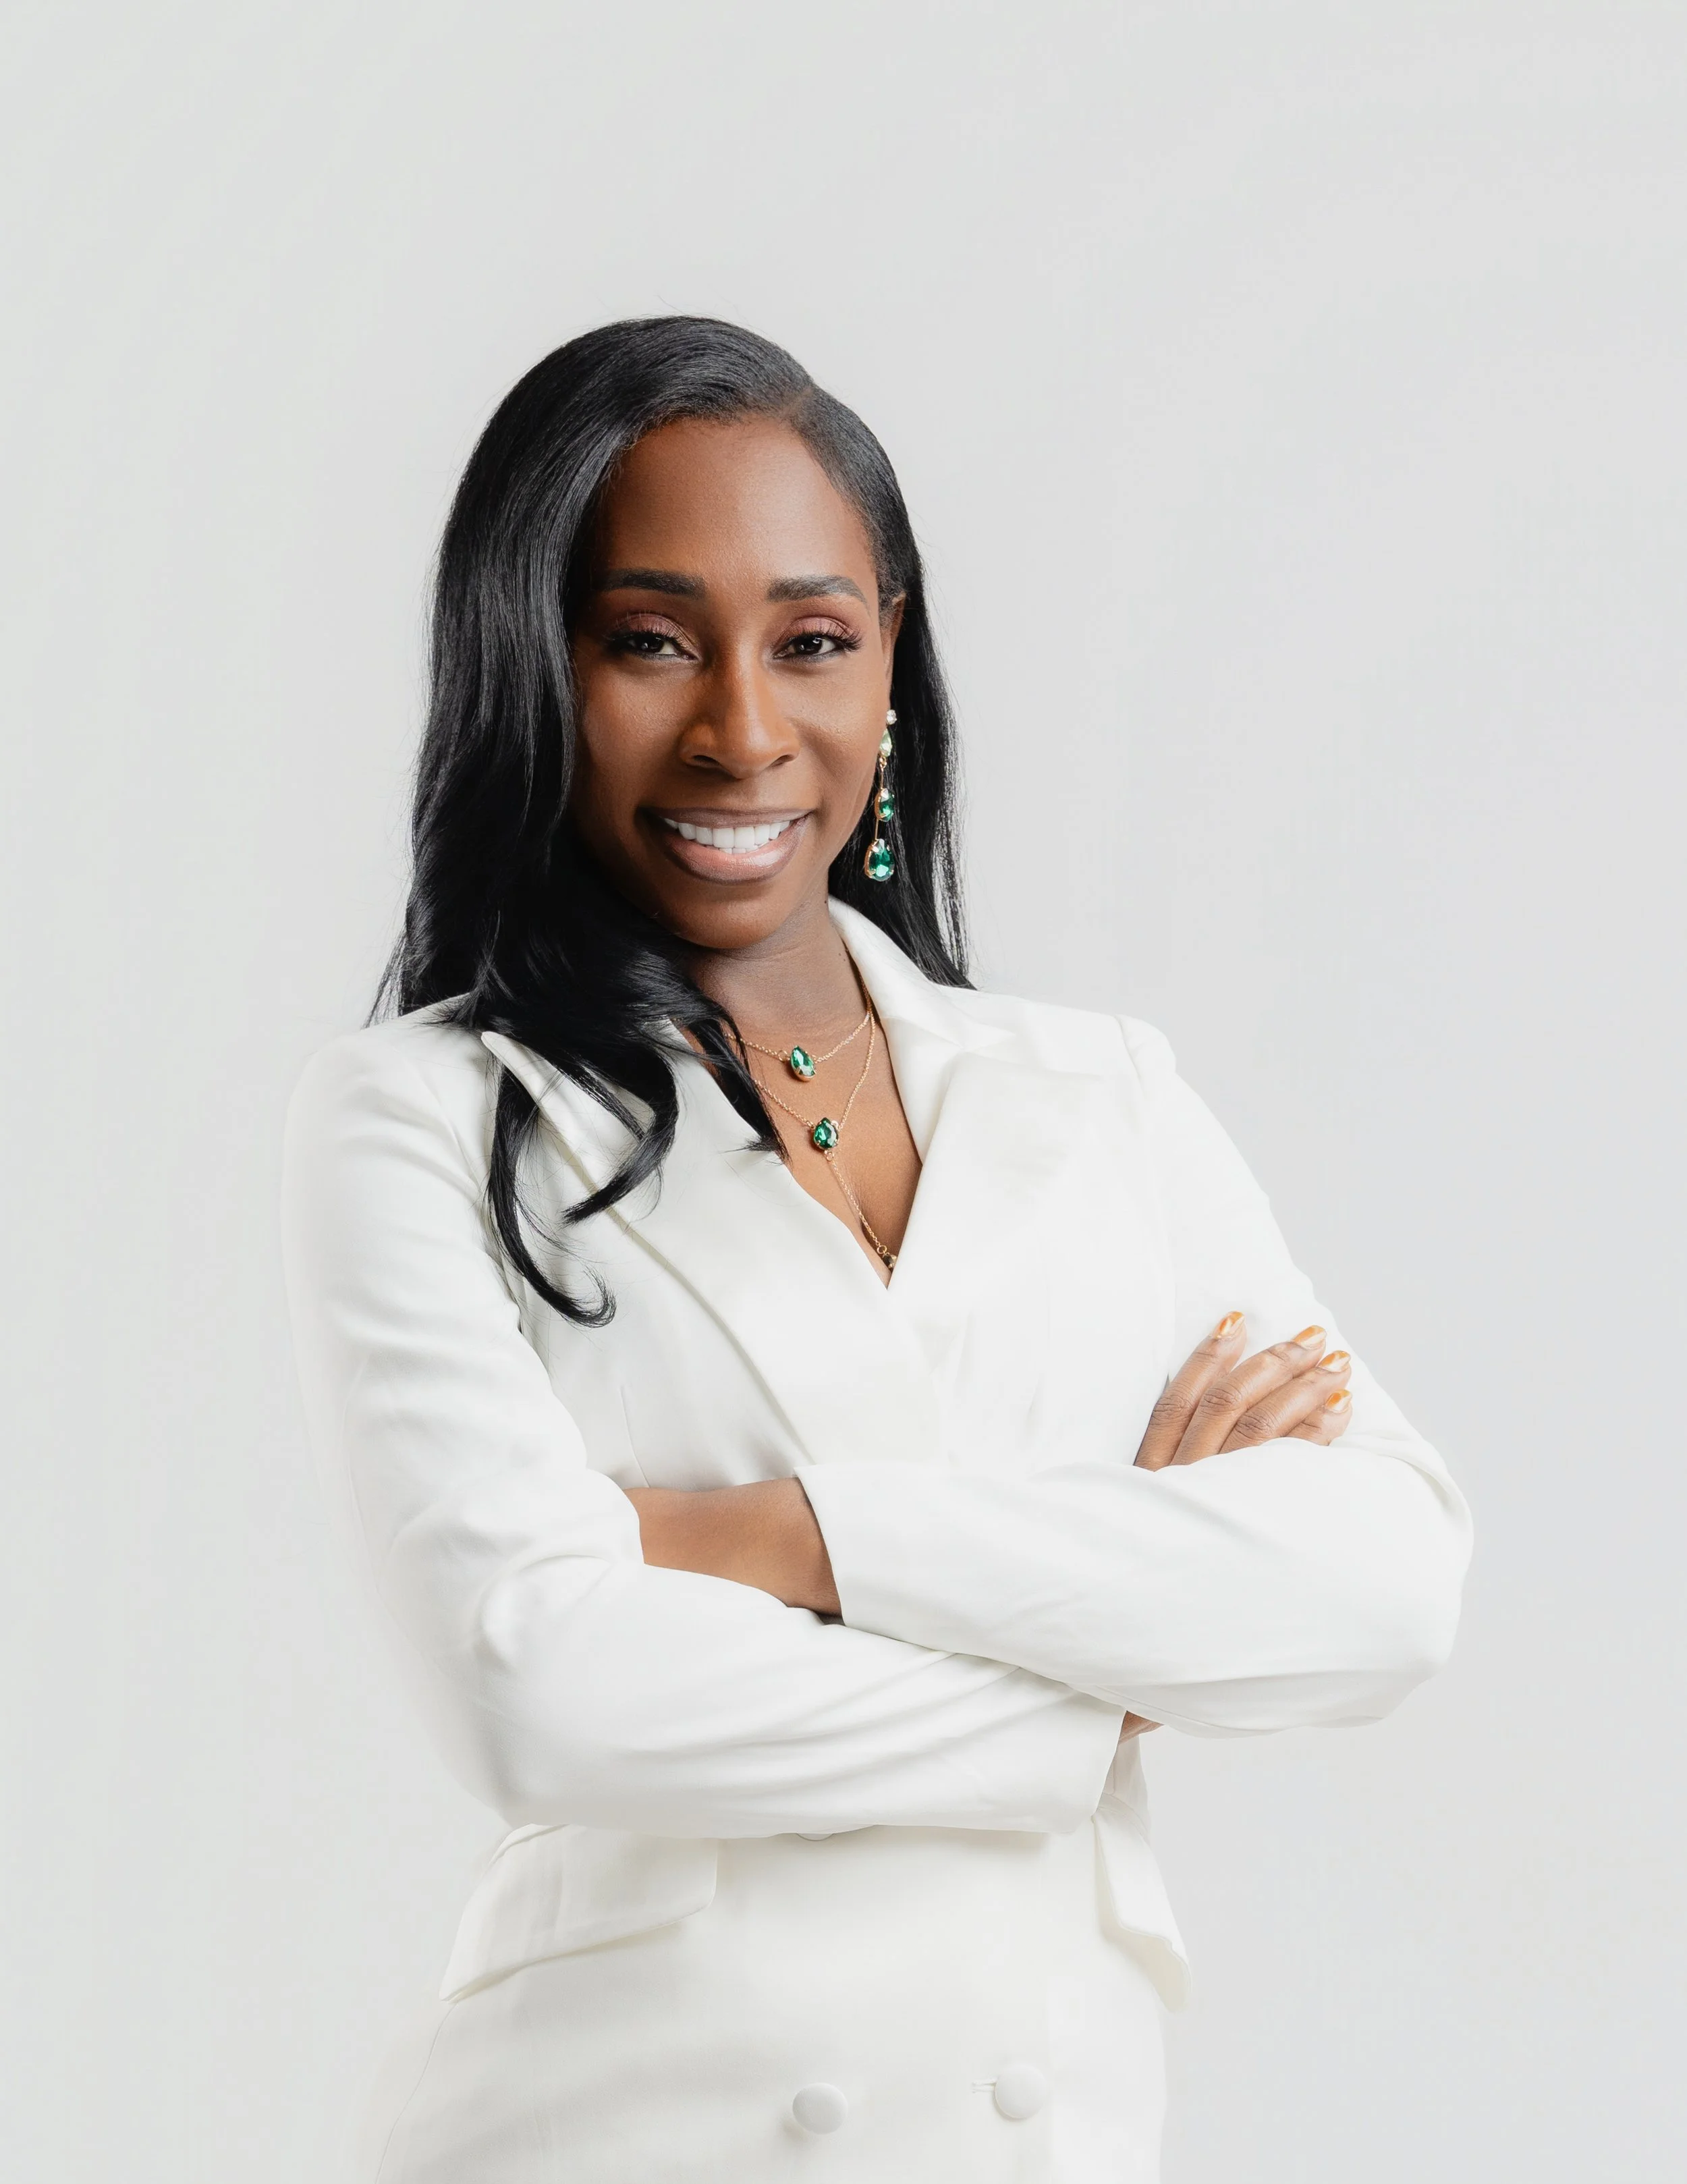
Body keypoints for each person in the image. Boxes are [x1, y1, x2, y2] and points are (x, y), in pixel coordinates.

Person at [281, 317, 1471, 2184]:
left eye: (812, 642)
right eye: (649, 640)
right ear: (533, 664)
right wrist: (1110, 1656)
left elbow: (1387, 1581)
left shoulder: (1099, 1095)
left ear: (893, 662)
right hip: (610, 2128)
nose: (744, 728)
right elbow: (542, 1688)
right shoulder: (424, 1115)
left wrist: (772, 1538)